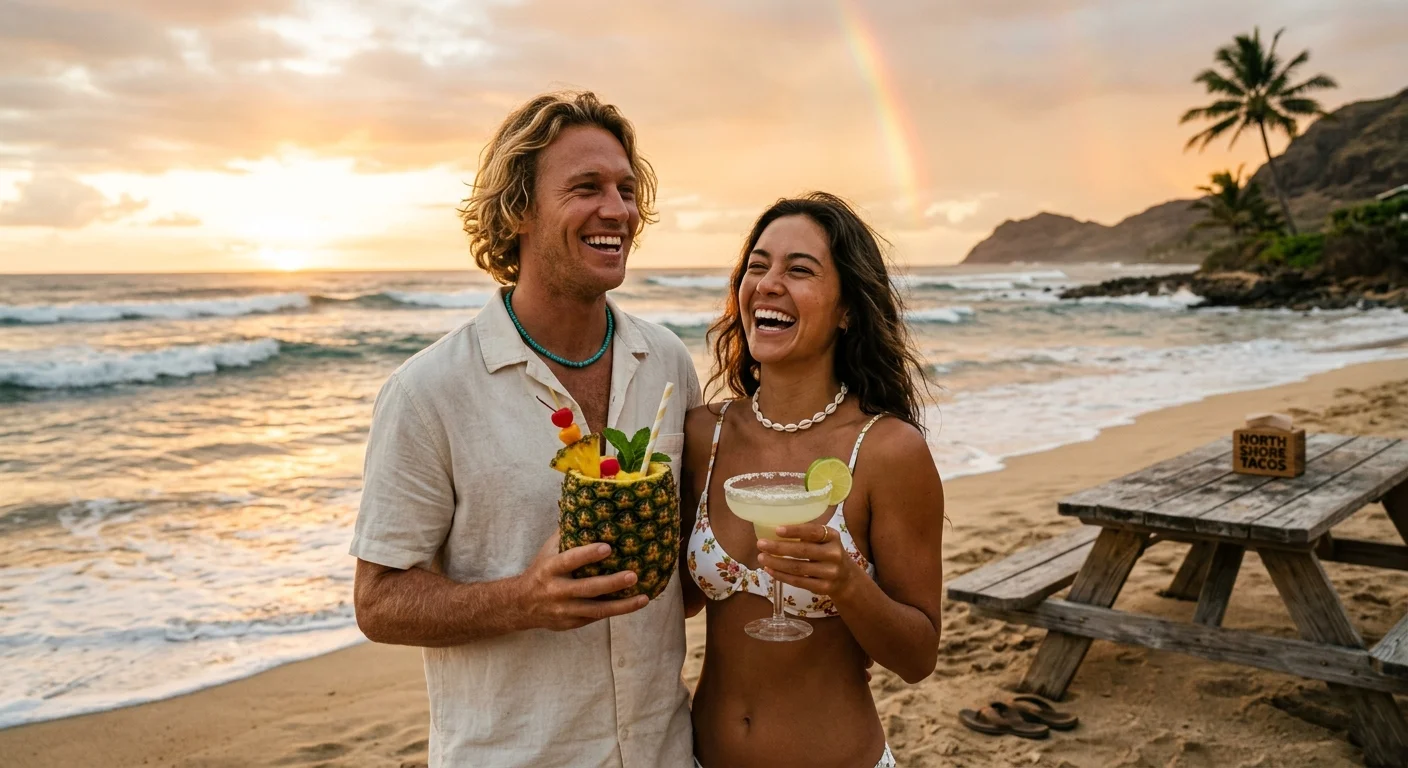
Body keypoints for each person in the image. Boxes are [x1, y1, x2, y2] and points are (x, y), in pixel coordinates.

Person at [350, 91, 700, 767]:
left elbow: (678, 581)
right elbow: (378, 601)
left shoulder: (666, 363)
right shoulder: (427, 393)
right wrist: (523, 600)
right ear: (518, 212)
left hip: (664, 751)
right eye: (586, 187)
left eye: (627, 190)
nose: (618, 211)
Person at [681, 193, 946, 768]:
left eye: (799, 270)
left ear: (848, 309)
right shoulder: (704, 436)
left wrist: (848, 585)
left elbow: (918, 654)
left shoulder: (887, 451)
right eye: (758, 265)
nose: (770, 283)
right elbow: (675, 602)